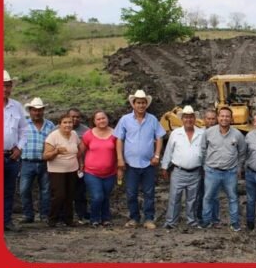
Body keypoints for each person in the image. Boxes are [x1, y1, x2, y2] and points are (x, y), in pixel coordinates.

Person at [115, 90, 165, 229]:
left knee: (149, 192)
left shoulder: (153, 119)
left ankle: (149, 218)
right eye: (138, 102)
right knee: (131, 193)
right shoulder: (125, 119)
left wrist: (156, 155)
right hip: (131, 164)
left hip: (148, 163)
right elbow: (119, 139)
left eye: (143, 103)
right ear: (133, 104)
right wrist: (120, 158)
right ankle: (134, 218)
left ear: (146, 104)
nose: (141, 105)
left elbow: (159, 137)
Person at [201, 107, 246, 231]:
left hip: (230, 173)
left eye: (227, 116)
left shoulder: (237, 134)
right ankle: (207, 221)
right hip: (212, 171)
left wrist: (238, 168)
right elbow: (203, 150)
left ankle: (235, 223)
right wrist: (205, 166)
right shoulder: (209, 133)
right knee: (208, 197)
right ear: (218, 118)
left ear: (231, 119)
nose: (224, 118)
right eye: (222, 116)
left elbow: (242, 152)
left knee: (233, 198)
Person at [161, 105, 205, 230]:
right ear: (182, 119)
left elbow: (205, 152)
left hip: (196, 171)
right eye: (186, 117)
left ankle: (192, 221)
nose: (188, 120)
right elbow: (169, 151)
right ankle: (171, 222)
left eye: (191, 117)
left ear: (194, 118)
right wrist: (164, 167)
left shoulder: (202, 133)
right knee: (174, 197)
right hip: (178, 171)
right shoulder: (175, 133)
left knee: (193, 199)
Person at [19, 97, 55, 224]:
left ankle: (44, 215)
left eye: (39, 110)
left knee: (45, 190)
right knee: (24, 189)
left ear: (43, 110)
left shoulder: (50, 125)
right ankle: (28, 215)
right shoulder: (23, 124)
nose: (37, 113)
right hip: (27, 162)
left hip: (45, 162)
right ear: (30, 111)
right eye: (34, 110)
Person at [80, 111, 118, 227]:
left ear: (107, 119)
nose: (101, 121)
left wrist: (120, 168)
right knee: (97, 196)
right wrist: (81, 164)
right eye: (98, 119)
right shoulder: (88, 134)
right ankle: (94, 218)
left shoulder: (115, 134)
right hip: (91, 172)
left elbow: (119, 152)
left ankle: (106, 218)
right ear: (94, 121)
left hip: (110, 172)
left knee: (105, 196)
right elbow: (80, 151)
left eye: (103, 118)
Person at [43, 114, 80, 228]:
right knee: (59, 195)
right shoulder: (53, 136)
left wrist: (81, 164)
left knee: (70, 195)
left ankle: (68, 220)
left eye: (70, 122)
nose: (68, 125)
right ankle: (52, 219)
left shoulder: (74, 134)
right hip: (57, 170)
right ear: (59, 124)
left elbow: (78, 149)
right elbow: (45, 156)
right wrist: (56, 152)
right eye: (65, 122)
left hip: (72, 169)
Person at [3, 69, 28, 232]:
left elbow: (24, 130)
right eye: (2, 85)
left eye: (8, 85)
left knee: (9, 191)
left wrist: (19, 147)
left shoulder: (17, 106)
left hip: (11, 156)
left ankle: (5, 220)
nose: (5, 89)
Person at [195, 109, 219, 225]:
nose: (211, 121)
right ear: (205, 120)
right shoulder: (199, 133)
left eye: (213, 119)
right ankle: (201, 217)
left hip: (215, 168)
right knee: (202, 193)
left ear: (217, 119)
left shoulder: (220, 133)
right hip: (202, 168)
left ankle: (214, 218)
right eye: (208, 119)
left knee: (214, 195)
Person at [69, 107, 90, 223]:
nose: (75, 119)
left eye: (77, 117)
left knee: (80, 192)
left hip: (80, 166)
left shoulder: (86, 131)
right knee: (64, 191)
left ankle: (82, 214)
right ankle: (65, 215)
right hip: (63, 166)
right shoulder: (57, 129)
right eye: (73, 116)